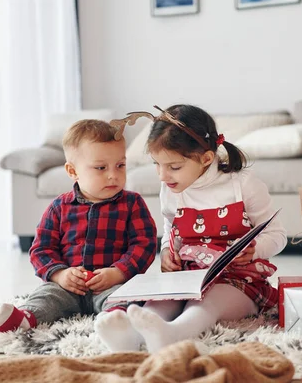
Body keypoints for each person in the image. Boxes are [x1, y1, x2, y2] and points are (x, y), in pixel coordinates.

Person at [95, 105, 286, 352]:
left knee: (206, 304)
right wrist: (166, 252)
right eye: (157, 165)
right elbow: (170, 226)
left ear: (206, 158)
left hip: (238, 281)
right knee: (160, 303)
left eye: (173, 167)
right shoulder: (172, 188)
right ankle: (131, 337)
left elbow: (278, 235)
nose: (163, 176)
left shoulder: (243, 185)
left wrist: (256, 249)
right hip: (188, 276)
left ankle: (174, 333)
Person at [0, 119, 157, 333]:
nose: (113, 175)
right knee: (47, 296)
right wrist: (60, 274)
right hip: (67, 287)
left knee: (126, 298)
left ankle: (115, 320)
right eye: (100, 167)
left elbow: (144, 245)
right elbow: (41, 249)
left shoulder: (132, 203)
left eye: (120, 165)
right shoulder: (59, 207)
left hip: (111, 284)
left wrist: (118, 272)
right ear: (72, 171)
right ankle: (25, 318)